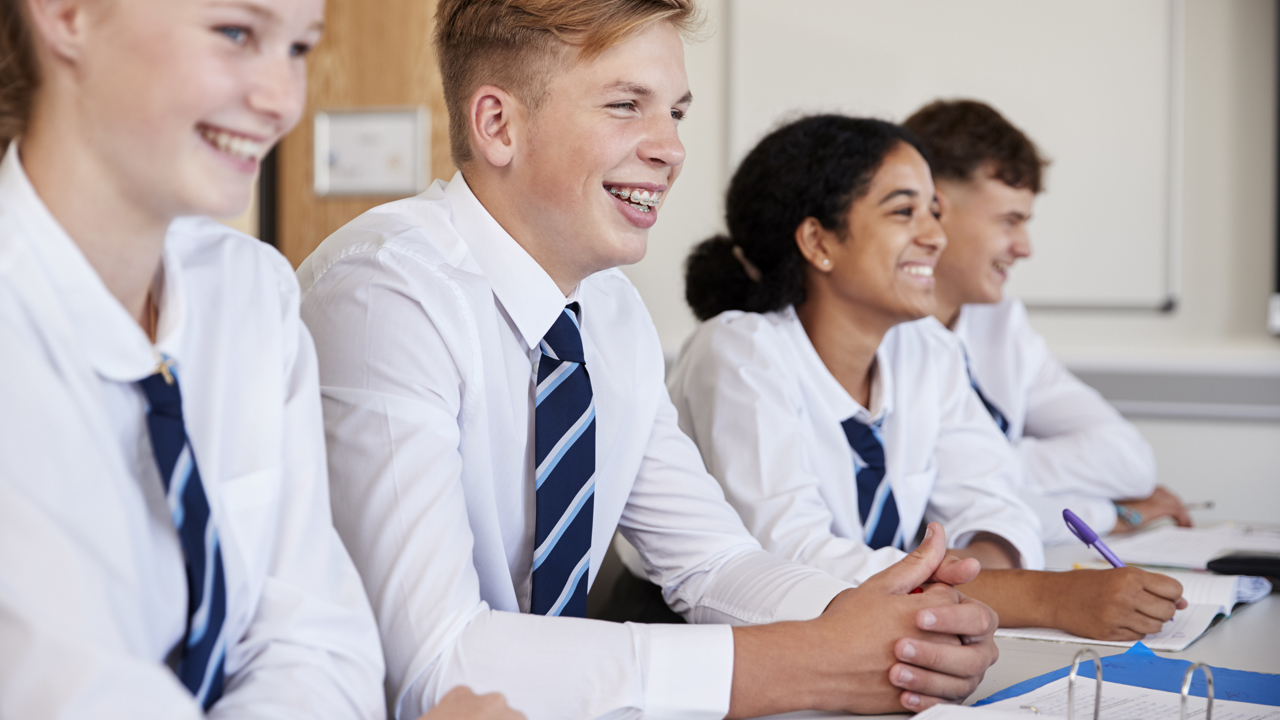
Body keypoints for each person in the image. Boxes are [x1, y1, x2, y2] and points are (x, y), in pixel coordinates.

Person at [296, 1, 1002, 718]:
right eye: (626, 105)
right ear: (498, 125)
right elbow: (438, 663)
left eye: (677, 113)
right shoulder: (386, 291)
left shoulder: (611, 313)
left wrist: (898, 627)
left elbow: (712, 561)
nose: (670, 148)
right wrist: (801, 662)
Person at [0, 0, 519, 718]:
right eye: (236, 34)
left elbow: (319, 649)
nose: (283, 102)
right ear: (68, 15)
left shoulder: (249, 293)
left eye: (300, 49)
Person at [668, 114, 1187, 643]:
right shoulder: (739, 351)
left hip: (891, 639)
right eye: (904, 211)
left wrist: (956, 586)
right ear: (818, 241)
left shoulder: (925, 348)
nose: (936, 236)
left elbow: (996, 504)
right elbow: (791, 560)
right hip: (737, 651)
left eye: (935, 212)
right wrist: (1041, 597)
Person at [901, 99, 1192, 542]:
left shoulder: (1001, 322)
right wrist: (1108, 515)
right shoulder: (879, 332)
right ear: (933, 210)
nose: (1024, 247)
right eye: (1009, 221)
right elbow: (937, 519)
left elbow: (1130, 461)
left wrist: (989, 465)